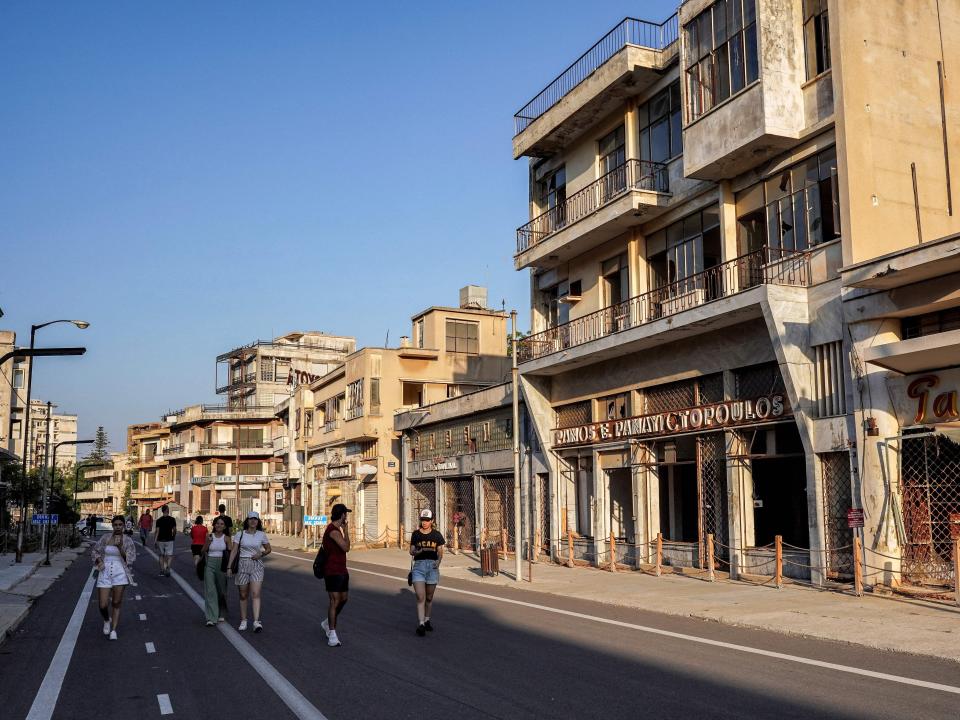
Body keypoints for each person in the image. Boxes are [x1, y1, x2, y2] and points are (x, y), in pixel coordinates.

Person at [92, 515, 136, 640]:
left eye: (120, 525)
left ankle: (114, 630)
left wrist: (120, 547)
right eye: (115, 525)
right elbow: (95, 551)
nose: (117, 527)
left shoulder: (128, 540)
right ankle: (107, 619)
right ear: (112, 526)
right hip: (105, 571)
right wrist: (99, 560)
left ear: (123, 526)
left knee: (116, 602)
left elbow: (130, 559)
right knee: (102, 605)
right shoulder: (106, 537)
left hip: (120, 572)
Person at [226, 511, 271, 632]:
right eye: (251, 519)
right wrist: (229, 567)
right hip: (243, 565)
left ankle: (256, 621)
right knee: (243, 594)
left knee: (256, 594)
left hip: (257, 565)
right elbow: (234, 551)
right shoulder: (240, 534)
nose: (253, 521)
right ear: (247, 520)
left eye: (255, 519)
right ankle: (244, 620)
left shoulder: (261, 535)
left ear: (258, 521)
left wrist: (260, 553)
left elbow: (268, 549)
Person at [409, 509, 445, 637]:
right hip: (418, 567)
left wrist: (438, 561)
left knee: (429, 598)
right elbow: (411, 550)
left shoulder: (437, 535)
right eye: (423, 520)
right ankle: (421, 624)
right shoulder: (416, 534)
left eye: (427, 520)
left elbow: (440, 551)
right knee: (420, 597)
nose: (424, 523)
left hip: (432, 567)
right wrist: (416, 552)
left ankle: (427, 619)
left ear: (432, 521)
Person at [321, 503, 351, 647]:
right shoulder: (333, 530)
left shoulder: (339, 529)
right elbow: (345, 547)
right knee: (335, 600)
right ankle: (332, 633)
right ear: (342, 515)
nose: (347, 516)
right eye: (346, 514)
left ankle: (328, 621)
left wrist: (345, 531)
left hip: (342, 569)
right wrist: (346, 531)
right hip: (331, 570)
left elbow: (347, 548)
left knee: (343, 599)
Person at [201, 516, 233, 626]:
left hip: (222, 565)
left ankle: (221, 613)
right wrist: (207, 543)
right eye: (217, 523)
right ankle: (210, 617)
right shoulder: (209, 536)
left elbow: (230, 554)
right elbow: (203, 551)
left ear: (224, 527)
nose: (219, 525)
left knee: (221, 591)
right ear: (214, 525)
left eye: (222, 524)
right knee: (210, 590)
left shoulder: (227, 538)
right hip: (210, 563)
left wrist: (229, 568)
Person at [154, 505, 177, 577]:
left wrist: (155, 541)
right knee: (169, 555)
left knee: (161, 555)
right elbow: (175, 529)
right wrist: (174, 536)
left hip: (160, 540)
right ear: (167, 510)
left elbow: (157, 531)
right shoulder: (172, 519)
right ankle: (168, 568)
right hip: (169, 539)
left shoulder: (159, 520)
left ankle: (161, 570)